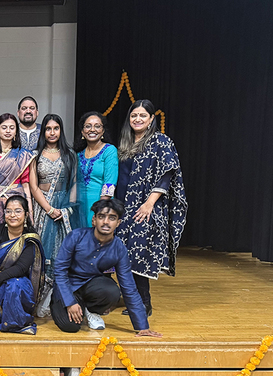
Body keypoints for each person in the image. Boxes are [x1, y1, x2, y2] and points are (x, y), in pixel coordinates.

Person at [115, 99, 187, 316]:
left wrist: (149, 203)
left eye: (142, 116)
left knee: (139, 254)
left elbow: (167, 173)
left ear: (151, 119)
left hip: (145, 209)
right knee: (125, 255)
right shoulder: (126, 143)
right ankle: (132, 300)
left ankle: (144, 304)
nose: (137, 119)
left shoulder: (160, 141)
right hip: (124, 208)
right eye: (134, 115)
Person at [51, 199, 161, 337]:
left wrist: (142, 327)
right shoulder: (76, 236)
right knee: (70, 327)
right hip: (67, 286)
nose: (106, 222)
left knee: (112, 291)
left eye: (112, 218)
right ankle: (71, 305)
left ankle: (91, 310)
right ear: (94, 220)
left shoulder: (119, 248)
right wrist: (69, 302)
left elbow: (129, 287)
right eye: (101, 217)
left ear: (118, 223)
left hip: (92, 286)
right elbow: (60, 271)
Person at [29, 113, 81, 313]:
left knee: (62, 251)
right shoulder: (35, 154)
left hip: (64, 206)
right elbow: (34, 187)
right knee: (43, 252)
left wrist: (69, 208)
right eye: (48, 129)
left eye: (56, 128)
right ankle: (39, 300)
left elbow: (74, 183)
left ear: (61, 130)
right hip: (44, 206)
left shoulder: (69, 154)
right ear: (43, 132)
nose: (52, 132)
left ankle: (59, 299)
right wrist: (49, 209)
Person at [0, 196, 45, 334]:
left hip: (15, 281)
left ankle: (14, 324)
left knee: (14, 284)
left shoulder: (30, 237)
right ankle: (8, 317)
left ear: (26, 214)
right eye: (8, 211)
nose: (13, 215)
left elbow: (21, 268)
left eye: (17, 211)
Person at [75, 111, 118, 227]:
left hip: (99, 205)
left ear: (103, 131)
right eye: (88, 126)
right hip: (78, 206)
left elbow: (109, 183)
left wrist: (99, 210)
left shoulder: (109, 151)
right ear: (82, 132)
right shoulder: (78, 155)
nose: (92, 129)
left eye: (97, 126)